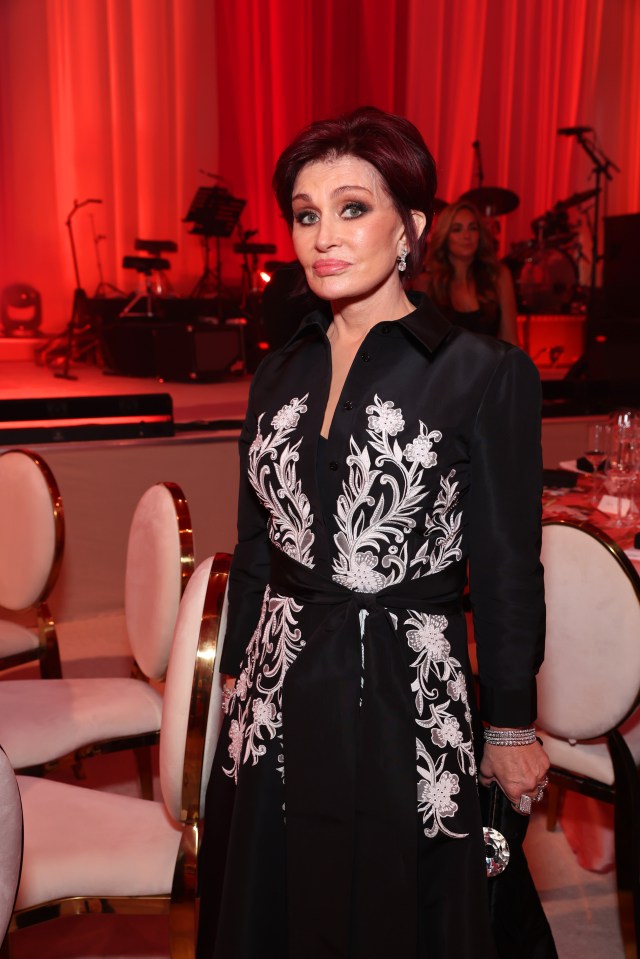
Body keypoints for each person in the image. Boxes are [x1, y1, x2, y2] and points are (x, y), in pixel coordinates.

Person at [197, 106, 553, 959]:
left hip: (404, 688)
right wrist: (237, 684)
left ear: (412, 227)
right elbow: (255, 548)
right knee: (276, 907)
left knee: (401, 910)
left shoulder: (482, 372)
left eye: (353, 208)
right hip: (278, 691)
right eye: (307, 214)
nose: (324, 235)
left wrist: (510, 724)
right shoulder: (278, 371)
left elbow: (507, 565)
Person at [423, 200, 520, 345]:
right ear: (444, 236)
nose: (466, 236)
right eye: (457, 229)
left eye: (472, 228)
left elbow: (510, 339)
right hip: (447, 367)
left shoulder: (498, 275)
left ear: (479, 234)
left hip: (491, 366)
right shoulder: (427, 282)